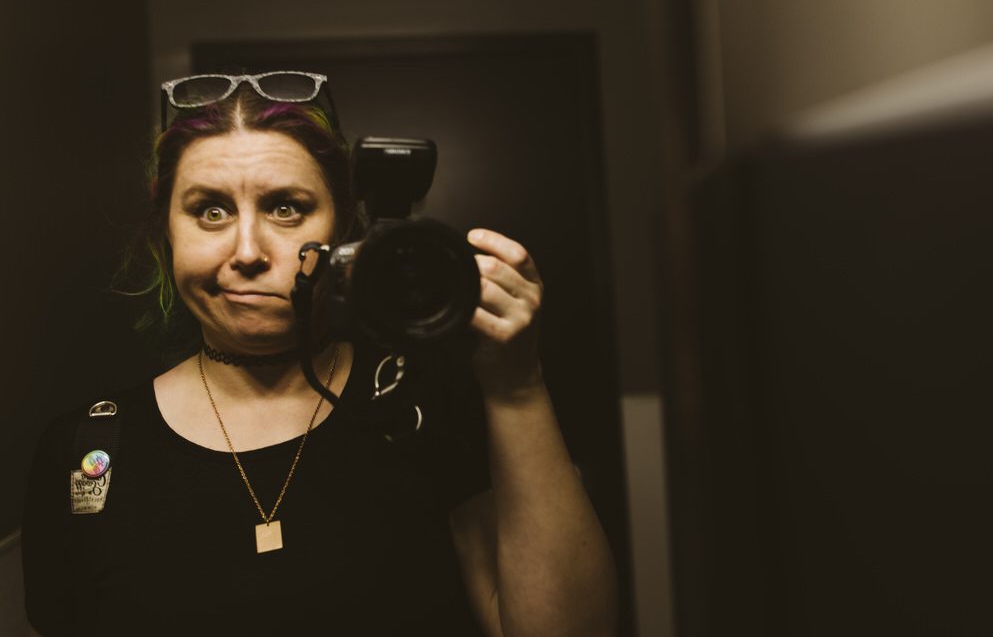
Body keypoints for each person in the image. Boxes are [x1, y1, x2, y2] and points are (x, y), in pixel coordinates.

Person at [22, 72, 617, 635]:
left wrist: (518, 383)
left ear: (343, 229)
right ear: (167, 234)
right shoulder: (87, 453)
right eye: (210, 211)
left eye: (286, 208)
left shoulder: (426, 400)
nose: (247, 251)